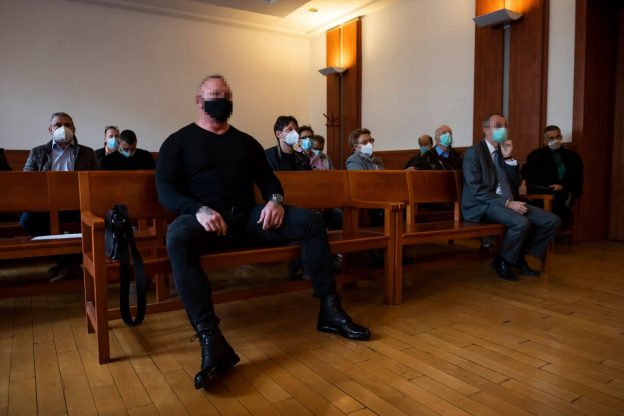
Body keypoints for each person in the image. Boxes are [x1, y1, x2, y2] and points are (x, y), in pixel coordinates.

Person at [156, 74, 370, 390]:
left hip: (248, 218)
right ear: (200, 101)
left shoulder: (245, 142)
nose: (222, 100)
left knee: (311, 222)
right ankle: (211, 338)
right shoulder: (178, 142)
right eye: (215, 95)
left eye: (226, 95)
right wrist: (197, 209)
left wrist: (275, 200)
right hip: (206, 222)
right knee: (177, 237)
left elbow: (269, 180)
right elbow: (165, 189)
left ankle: (330, 310)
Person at [462, 114, 561, 281]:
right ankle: (506, 261)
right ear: (486, 130)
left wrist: (508, 157)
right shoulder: (474, 153)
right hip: (483, 204)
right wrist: (507, 203)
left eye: (505, 126)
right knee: (521, 223)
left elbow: (516, 184)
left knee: (552, 221)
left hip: (508, 203)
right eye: (498, 126)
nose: (503, 129)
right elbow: (475, 189)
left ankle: (514, 256)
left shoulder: (504, 150)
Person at [22, 112, 100, 281]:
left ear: (74, 129)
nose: (63, 128)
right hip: (46, 205)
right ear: (50, 129)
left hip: (78, 203)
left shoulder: (87, 153)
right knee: (27, 220)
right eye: (58, 125)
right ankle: (69, 262)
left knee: (97, 219)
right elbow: (27, 181)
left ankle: (70, 263)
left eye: (68, 125)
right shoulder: (37, 152)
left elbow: (97, 179)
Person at [521, 125, 583, 225]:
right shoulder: (536, 155)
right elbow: (527, 175)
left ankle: (555, 225)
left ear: (561, 137)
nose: (555, 140)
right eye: (551, 138)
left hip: (564, 192)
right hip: (542, 192)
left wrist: (563, 186)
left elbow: (577, 178)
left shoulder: (572, 156)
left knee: (560, 198)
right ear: (545, 141)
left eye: (557, 137)